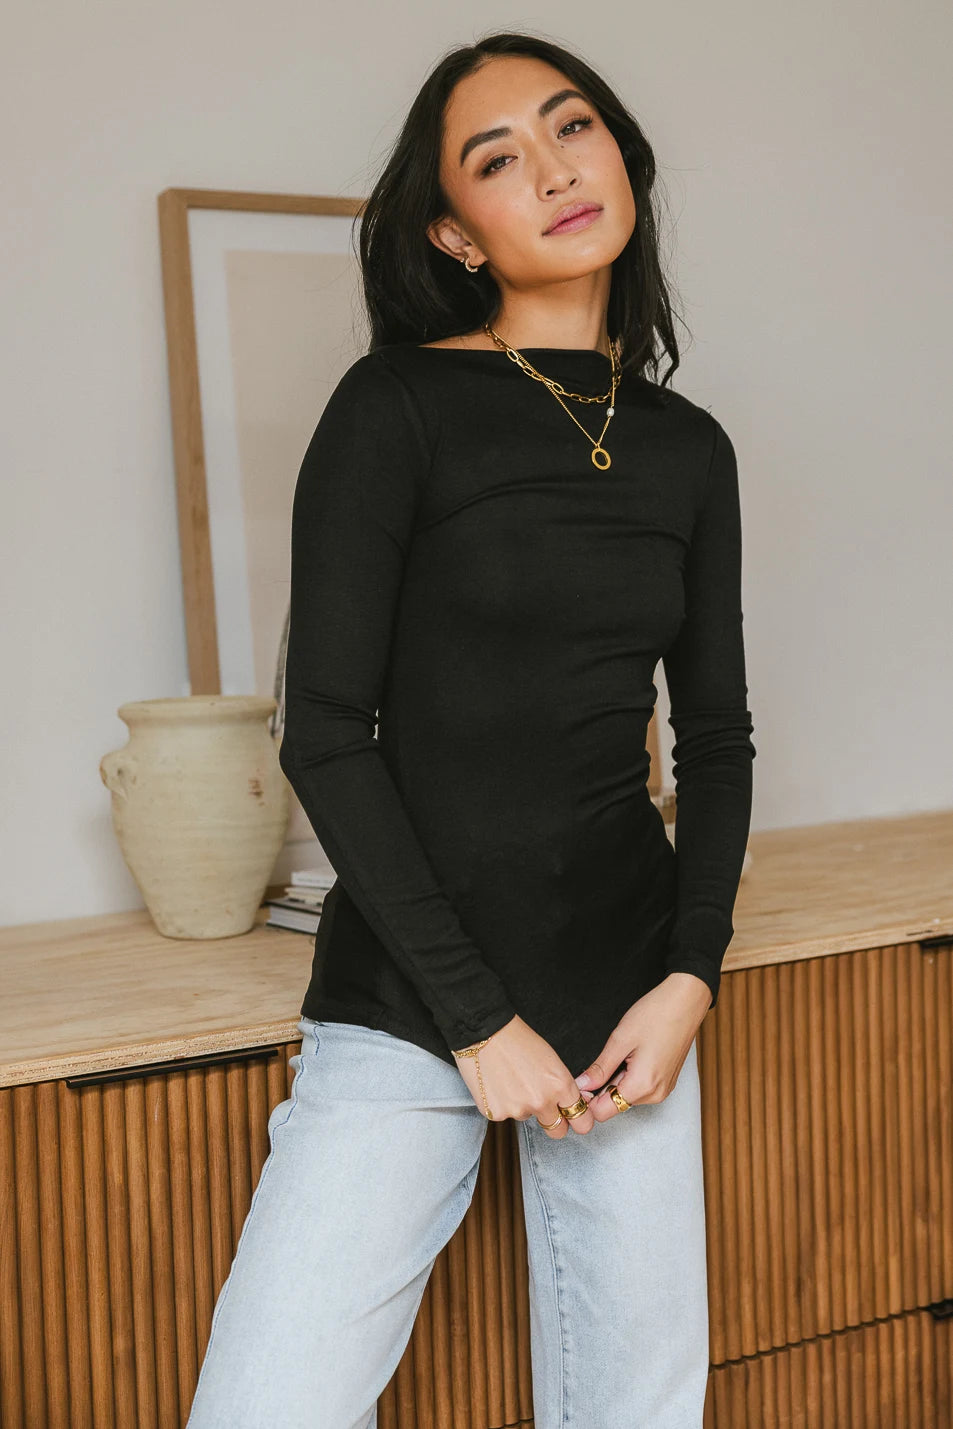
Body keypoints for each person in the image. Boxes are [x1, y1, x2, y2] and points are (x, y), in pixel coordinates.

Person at [186, 29, 756, 1429]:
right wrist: (479, 1020)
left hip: (625, 994)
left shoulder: (688, 446)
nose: (554, 170)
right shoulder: (396, 408)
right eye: (498, 159)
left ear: (622, 156)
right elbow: (325, 730)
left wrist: (688, 978)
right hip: (412, 995)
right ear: (453, 232)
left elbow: (717, 736)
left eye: (574, 128)